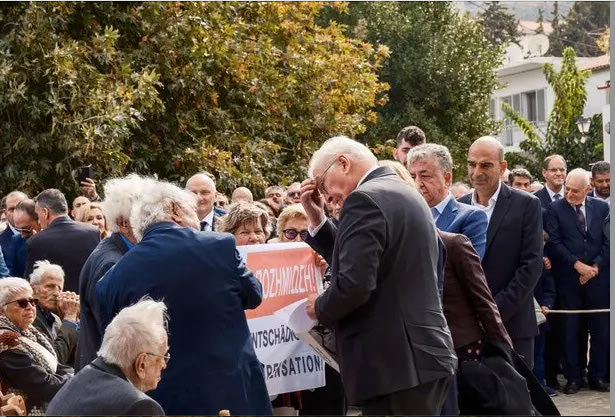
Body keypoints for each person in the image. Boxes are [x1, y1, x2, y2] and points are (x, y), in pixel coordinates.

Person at [300, 136, 456, 415]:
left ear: (343, 163)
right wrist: (317, 219)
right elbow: (367, 259)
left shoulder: (364, 199)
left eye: (323, 185)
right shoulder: (400, 191)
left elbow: (354, 284)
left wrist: (319, 307)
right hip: (418, 360)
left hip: (396, 366)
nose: (325, 197)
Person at [96, 180, 272, 415]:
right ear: (175, 211)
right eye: (192, 209)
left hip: (161, 402)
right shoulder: (219, 246)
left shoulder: (111, 281)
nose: (198, 219)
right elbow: (254, 295)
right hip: (231, 394)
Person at [458, 136, 543, 369]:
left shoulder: (526, 205)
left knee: (518, 401)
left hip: (513, 324)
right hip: (468, 329)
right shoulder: (459, 206)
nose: (476, 172)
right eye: (471, 164)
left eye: (485, 165)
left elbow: (531, 265)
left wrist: (493, 313)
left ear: (502, 168)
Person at [77, 174, 151, 371]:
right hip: (108, 379)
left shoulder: (115, 253)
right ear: (124, 223)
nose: (153, 223)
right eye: (146, 216)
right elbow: (116, 337)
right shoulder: (112, 264)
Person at [545, 168, 610, 394]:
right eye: (567, 189)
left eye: (575, 191)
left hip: (598, 279)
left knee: (601, 330)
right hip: (569, 280)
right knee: (573, 330)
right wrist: (577, 265)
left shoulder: (602, 208)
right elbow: (554, 242)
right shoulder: (554, 209)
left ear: (588, 189)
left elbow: (608, 240)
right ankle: (574, 377)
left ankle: (598, 376)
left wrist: (595, 266)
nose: (569, 194)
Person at [46, 299, 167, 415]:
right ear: (141, 364)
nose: (164, 364)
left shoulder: (81, 379)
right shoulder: (140, 406)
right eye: (163, 356)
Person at [0, 277, 73, 414]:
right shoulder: (6, 341)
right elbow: (45, 386)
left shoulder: (30, 332)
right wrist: (76, 379)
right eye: (22, 303)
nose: (30, 306)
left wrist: (72, 374)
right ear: (2, 310)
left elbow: (58, 365)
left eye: (32, 301)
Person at [407, 144, 488, 258]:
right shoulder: (405, 216)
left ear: (447, 178)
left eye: (425, 176)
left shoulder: (471, 217)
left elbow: (467, 269)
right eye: (413, 177)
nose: (418, 183)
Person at [25, 189, 100, 293]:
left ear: (45, 212)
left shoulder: (37, 241)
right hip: (90, 302)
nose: (38, 221)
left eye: (38, 215)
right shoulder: (92, 232)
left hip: (57, 304)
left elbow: (31, 283)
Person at [30, 261, 79, 367]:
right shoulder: (30, 317)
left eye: (59, 288)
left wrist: (75, 319)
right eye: (50, 286)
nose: (57, 293)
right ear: (33, 290)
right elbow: (56, 359)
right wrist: (70, 318)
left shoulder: (56, 318)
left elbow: (76, 357)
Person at [0, 191, 28, 276]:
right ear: (5, 213)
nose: (17, 212)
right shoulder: (1, 242)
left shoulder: (43, 235)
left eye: (21, 207)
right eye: (12, 209)